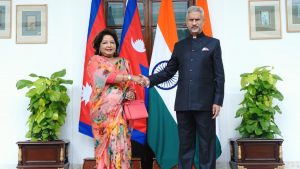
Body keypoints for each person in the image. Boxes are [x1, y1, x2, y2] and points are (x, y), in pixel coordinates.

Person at [141, 6, 225, 169]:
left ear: (203, 21)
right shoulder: (179, 46)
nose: (194, 23)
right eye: (191, 20)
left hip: (206, 105)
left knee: (206, 144)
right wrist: (149, 80)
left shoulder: (213, 44)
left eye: (197, 19)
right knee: (185, 145)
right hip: (183, 104)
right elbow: (168, 72)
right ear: (186, 22)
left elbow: (219, 76)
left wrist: (218, 101)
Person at [87, 28, 144, 169]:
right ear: (99, 46)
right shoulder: (95, 61)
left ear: (116, 45)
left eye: (112, 42)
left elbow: (130, 86)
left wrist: (131, 93)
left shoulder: (124, 62)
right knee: (105, 148)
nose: (109, 45)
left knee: (121, 146)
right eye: (105, 42)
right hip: (102, 114)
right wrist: (131, 77)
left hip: (121, 113)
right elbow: (107, 77)